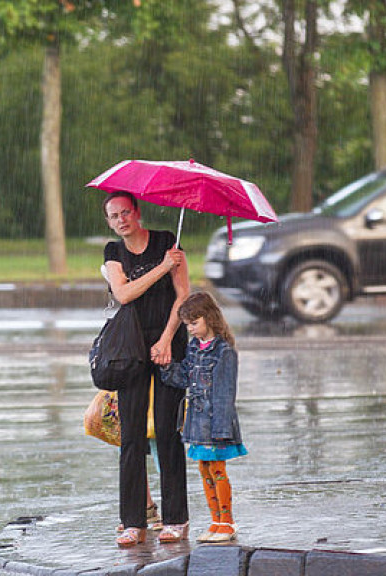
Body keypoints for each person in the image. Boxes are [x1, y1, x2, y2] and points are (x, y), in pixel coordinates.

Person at [102, 191, 190, 547]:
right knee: (132, 436)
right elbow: (123, 294)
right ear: (109, 222)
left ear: (137, 213)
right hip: (131, 350)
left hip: (169, 343)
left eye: (126, 212)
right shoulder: (113, 252)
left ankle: (176, 518)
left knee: (168, 434)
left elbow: (183, 295)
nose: (121, 220)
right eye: (113, 215)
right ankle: (132, 521)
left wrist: (168, 339)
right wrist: (162, 267)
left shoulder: (169, 242)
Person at [161, 292, 247, 544]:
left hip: (216, 424)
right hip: (197, 423)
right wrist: (165, 366)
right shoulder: (194, 348)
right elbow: (185, 377)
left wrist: (221, 429)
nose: (190, 329)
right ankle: (214, 520)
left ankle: (227, 522)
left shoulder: (224, 351)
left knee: (217, 469)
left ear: (209, 318)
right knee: (204, 469)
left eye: (194, 323)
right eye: (187, 324)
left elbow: (225, 393)